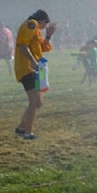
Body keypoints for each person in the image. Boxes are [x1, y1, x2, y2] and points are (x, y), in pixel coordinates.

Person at [14, 9, 56, 140]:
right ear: (42, 20)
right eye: (45, 25)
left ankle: (21, 128)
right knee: (33, 101)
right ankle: (28, 133)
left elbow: (43, 48)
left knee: (38, 102)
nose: (44, 28)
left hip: (39, 69)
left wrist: (48, 36)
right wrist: (32, 61)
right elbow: (22, 45)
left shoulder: (36, 30)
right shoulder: (31, 24)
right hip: (28, 68)